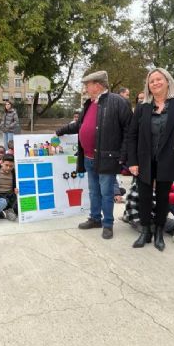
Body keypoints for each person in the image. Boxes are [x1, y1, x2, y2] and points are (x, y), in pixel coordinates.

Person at [127, 68, 174, 250]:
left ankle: (159, 233)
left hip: (169, 158)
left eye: (158, 79)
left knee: (163, 197)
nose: (155, 83)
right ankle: (146, 231)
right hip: (144, 159)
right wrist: (132, 162)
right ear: (148, 86)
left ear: (168, 81)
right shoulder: (143, 107)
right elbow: (132, 135)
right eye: (151, 81)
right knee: (144, 196)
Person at [56, 70, 132, 239]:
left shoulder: (118, 102)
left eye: (87, 85)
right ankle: (95, 218)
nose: (85, 89)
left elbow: (129, 131)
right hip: (89, 157)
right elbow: (80, 125)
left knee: (106, 192)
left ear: (97, 86)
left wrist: (123, 156)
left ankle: (108, 224)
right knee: (93, 191)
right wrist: (61, 130)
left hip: (108, 158)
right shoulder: (90, 103)